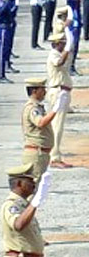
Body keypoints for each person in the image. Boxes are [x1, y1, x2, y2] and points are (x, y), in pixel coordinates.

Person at [46, 32, 73, 167]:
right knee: (57, 126)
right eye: (62, 42)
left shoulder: (59, 53)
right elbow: (60, 62)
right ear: (57, 43)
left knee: (58, 125)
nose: (64, 45)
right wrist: (67, 49)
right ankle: (54, 157)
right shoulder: (54, 54)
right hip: (58, 91)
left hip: (62, 90)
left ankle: (54, 154)